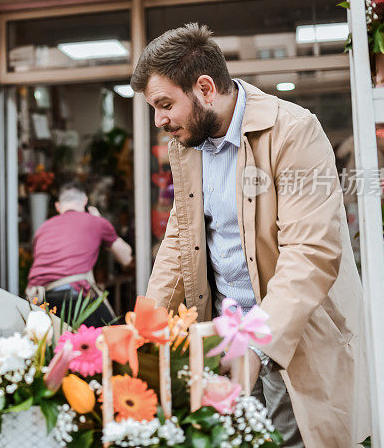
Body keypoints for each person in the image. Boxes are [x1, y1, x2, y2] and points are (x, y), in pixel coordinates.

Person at [132, 23, 369, 447]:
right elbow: (180, 239)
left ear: (205, 88)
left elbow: (310, 252)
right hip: (224, 336)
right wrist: (146, 330)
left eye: (165, 104)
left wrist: (257, 347)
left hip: (290, 337)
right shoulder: (188, 143)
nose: (159, 119)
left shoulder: (294, 132)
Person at [26, 182, 133, 326]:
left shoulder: (42, 228)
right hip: (76, 296)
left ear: (58, 206)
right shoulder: (96, 221)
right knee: (112, 339)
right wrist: (100, 220)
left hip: (40, 301)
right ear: (85, 201)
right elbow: (126, 257)